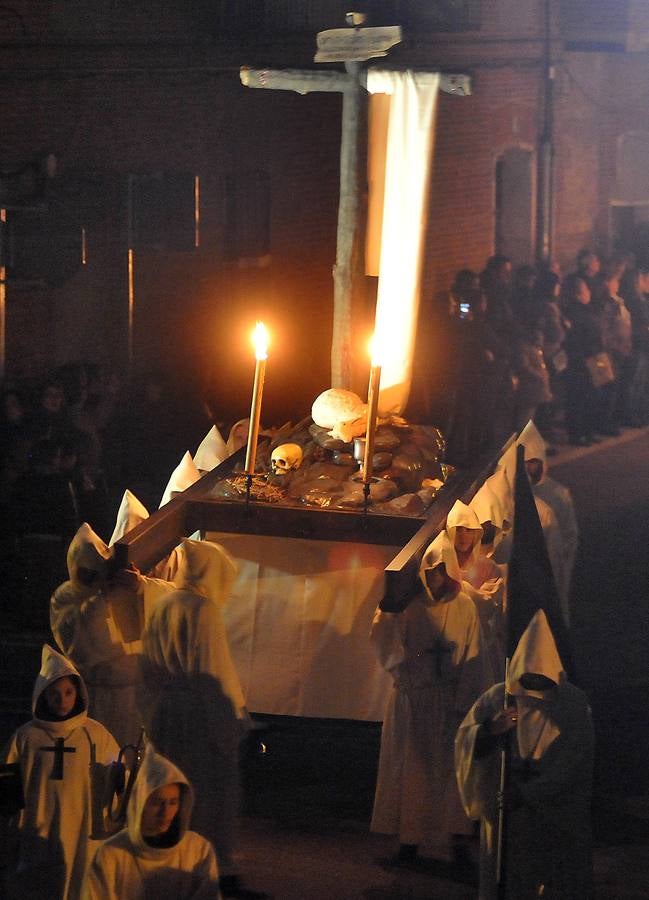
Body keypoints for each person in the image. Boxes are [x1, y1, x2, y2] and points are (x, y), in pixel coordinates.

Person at [455, 609, 594, 899]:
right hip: (507, 815)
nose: (532, 689)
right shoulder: (498, 697)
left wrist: (530, 793)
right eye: (527, 680)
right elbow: (465, 741)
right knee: (507, 881)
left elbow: (574, 761)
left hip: (552, 815)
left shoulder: (572, 706)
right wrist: (490, 730)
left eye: (539, 680)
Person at [370, 539, 490, 866]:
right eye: (430, 571)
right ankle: (410, 841)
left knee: (452, 773)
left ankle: (457, 841)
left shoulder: (464, 606)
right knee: (413, 771)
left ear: (449, 570)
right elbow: (386, 639)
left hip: (448, 701)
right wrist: (404, 675)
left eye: (440, 570)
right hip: (415, 698)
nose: (435, 577)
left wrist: (464, 701)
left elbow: (473, 655)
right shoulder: (410, 606)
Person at [138, 581, 256, 898]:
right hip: (200, 720)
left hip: (167, 714)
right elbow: (213, 670)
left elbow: (146, 665)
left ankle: (168, 863)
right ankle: (206, 874)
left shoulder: (162, 603)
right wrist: (234, 724)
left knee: (173, 790)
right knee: (206, 798)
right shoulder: (203, 609)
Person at [1, 645, 119, 900]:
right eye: (54, 694)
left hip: (83, 831)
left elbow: (118, 781)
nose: (62, 700)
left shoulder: (95, 734)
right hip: (38, 829)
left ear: (78, 693)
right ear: (42, 695)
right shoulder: (26, 737)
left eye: (68, 692)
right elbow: (7, 788)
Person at [50, 523, 147, 747]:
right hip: (97, 694)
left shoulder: (121, 587)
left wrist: (140, 589)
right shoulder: (65, 597)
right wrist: (102, 600)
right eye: (87, 574)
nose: (94, 580)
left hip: (131, 696)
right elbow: (78, 640)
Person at [82, 745, 220, 899]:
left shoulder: (198, 851)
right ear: (140, 803)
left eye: (173, 802)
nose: (165, 812)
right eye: (156, 802)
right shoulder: (112, 855)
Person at [517, 421, 579, 624]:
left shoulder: (559, 494)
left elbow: (570, 533)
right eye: (525, 462)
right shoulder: (514, 493)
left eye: (533, 462)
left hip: (553, 560)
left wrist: (561, 558)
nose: (529, 467)